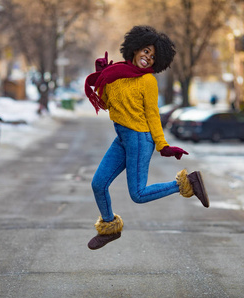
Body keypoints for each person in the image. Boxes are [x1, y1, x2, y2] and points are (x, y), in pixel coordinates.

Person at [84, 26, 209, 250]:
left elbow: (153, 114)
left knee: (138, 194)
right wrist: (101, 77)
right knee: (98, 183)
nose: (148, 58)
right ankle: (110, 226)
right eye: (145, 51)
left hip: (141, 138)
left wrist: (163, 144)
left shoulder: (148, 81)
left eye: (153, 56)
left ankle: (188, 183)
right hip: (122, 137)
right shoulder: (116, 73)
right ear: (135, 49)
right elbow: (106, 104)